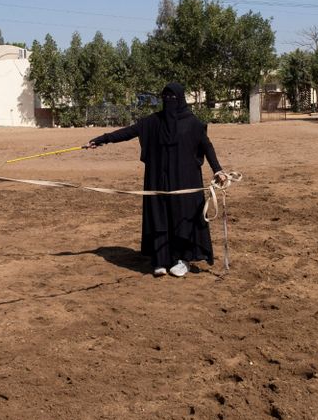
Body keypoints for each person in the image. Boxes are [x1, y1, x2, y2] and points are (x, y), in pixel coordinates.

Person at [87, 82, 227, 277]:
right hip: (158, 181)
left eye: (173, 98)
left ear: (180, 99)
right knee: (159, 217)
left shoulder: (192, 122)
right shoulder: (153, 121)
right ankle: (160, 260)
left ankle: (183, 259)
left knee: (182, 218)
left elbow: (207, 146)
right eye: (165, 98)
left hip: (185, 181)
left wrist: (218, 170)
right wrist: (101, 139)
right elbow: (128, 132)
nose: (169, 101)